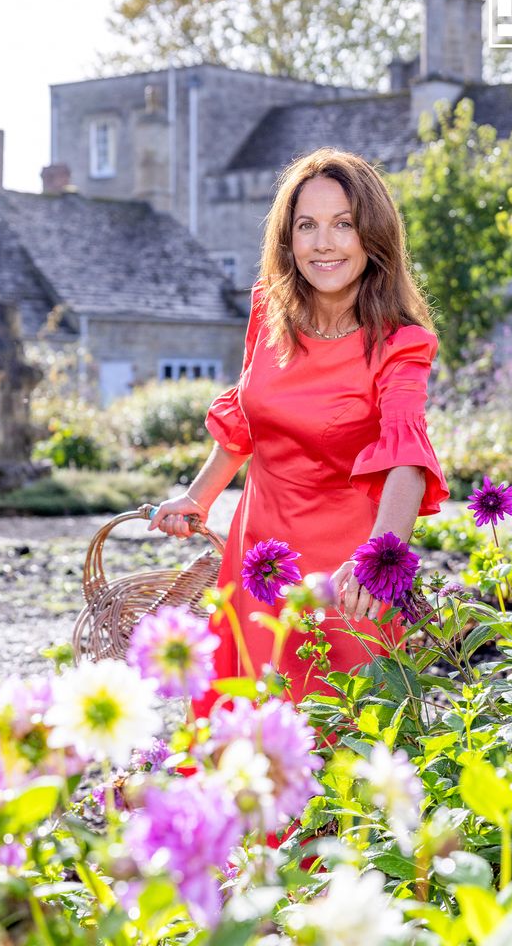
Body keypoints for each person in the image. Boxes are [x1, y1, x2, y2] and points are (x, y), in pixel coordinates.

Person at [148, 147, 449, 712]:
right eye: (306, 226)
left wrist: (377, 560)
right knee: (244, 729)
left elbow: (406, 457)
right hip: (257, 554)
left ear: (373, 237)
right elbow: (245, 417)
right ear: (288, 240)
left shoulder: (401, 343)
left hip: (347, 570)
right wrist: (197, 497)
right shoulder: (268, 310)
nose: (323, 243)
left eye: (343, 225)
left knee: (341, 744)